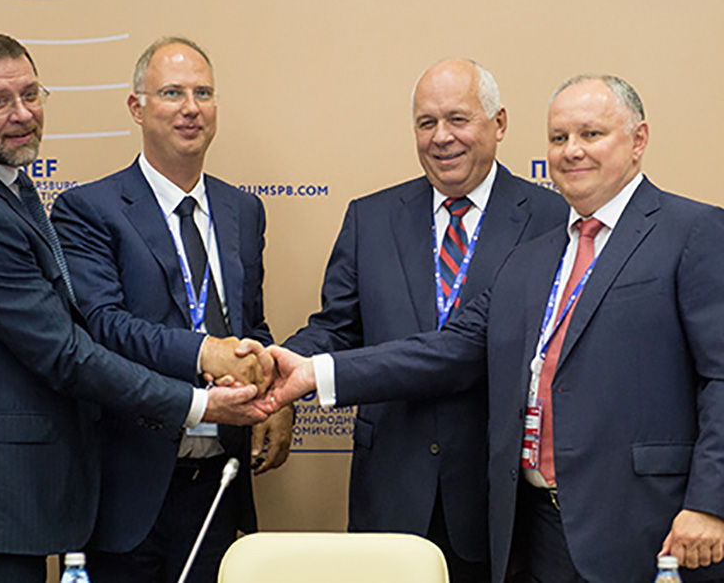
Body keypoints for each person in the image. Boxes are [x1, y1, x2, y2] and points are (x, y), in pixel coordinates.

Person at [256, 75, 724, 582]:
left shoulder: (692, 231)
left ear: (638, 140)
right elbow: (454, 348)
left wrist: (710, 502)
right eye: (559, 138)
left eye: (591, 134)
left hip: (644, 525)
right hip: (537, 527)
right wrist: (310, 373)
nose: (572, 151)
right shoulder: (538, 255)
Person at [0, 31, 267, 583]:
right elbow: (69, 350)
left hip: (24, 493)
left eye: (30, 95)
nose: (22, 114)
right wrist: (201, 401)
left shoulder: (5, 183)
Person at [280, 58, 566, 580]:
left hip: (495, 497)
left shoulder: (552, 219)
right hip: (391, 487)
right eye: (426, 122)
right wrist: (282, 365)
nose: (441, 137)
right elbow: (337, 327)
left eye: (458, 119)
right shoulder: (370, 217)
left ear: (499, 123)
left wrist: (311, 376)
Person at [51, 37, 292, 583]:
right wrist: (204, 352)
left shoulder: (243, 210)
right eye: (172, 93)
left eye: (203, 93)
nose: (191, 108)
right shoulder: (89, 209)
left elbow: (249, 324)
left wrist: (276, 393)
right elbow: (104, 327)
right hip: (129, 489)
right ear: (136, 107)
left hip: (219, 485)